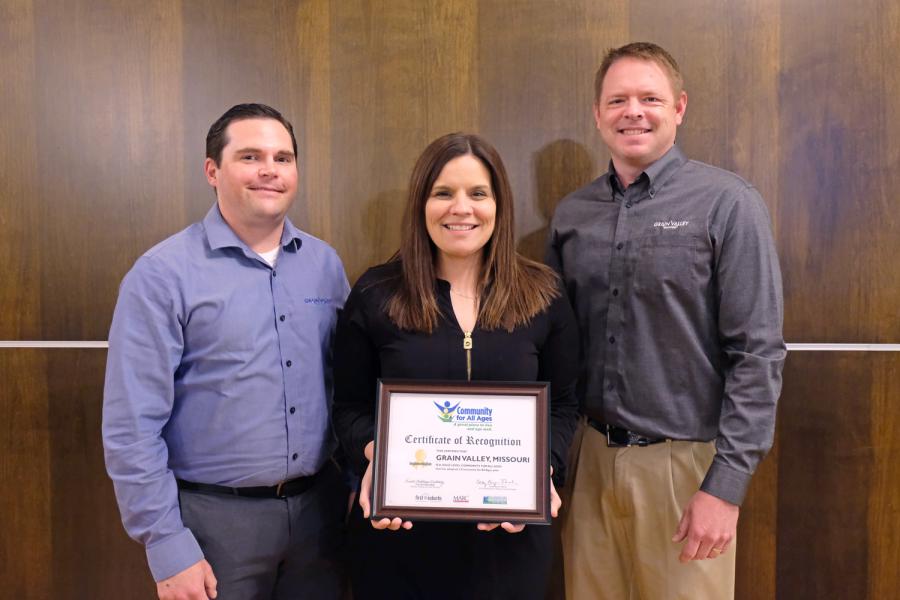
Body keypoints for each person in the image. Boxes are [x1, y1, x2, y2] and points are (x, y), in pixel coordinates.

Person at [547, 42, 786, 599]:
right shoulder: (570, 215)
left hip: (686, 469)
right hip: (589, 460)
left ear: (679, 107)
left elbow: (759, 354)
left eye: (649, 98)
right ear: (597, 113)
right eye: (618, 99)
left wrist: (724, 488)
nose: (634, 111)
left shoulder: (728, 203)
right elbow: (555, 351)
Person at [103, 103, 350, 599]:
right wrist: (167, 543)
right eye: (251, 156)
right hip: (212, 530)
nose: (269, 171)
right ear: (212, 171)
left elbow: (347, 386)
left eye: (283, 158)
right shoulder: (162, 275)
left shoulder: (325, 265)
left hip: (320, 520)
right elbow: (132, 426)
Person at [332, 132, 580, 600]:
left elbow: (565, 404)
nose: (461, 208)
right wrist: (376, 456)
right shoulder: (376, 293)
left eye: (478, 193)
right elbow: (347, 406)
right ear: (421, 204)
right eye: (443, 193)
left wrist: (542, 468)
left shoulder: (543, 294)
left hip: (509, 542)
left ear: (499, 204)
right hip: (398, 539)